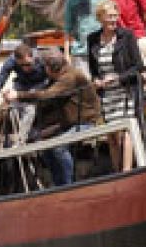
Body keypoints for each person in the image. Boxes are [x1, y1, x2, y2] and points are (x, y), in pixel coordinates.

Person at [6, 51, 101, 187]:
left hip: (85, 122)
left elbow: (48, 95)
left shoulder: (69, 77)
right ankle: (58, 184)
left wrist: (18, 95)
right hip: (69, 123)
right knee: (45, 147)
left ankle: (68, 186)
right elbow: (43, 94)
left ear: (50, 69)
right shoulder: (59, 77)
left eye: (44, 67)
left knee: (59, 146)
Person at [87, 0, 145, 172]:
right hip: (107, 94)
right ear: (101, 18)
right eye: (109, 17)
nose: (113, 20)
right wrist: (96, 80)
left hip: (125, 91)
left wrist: (118, 77)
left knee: (127, 131)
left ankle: (126, 171)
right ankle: (116, 169)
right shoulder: (93, 39)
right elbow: (94, 69)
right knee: (112, 135)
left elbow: (138, 66)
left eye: (115, 16)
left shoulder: (126, 36)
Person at [0, 43, 50, 142]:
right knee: (14, 108)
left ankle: (22, 139)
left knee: (30, 108)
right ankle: (20, 133)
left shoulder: (42, 58)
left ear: (33, 57)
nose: (25, 68)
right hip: (22, 83)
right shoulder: (11, 61)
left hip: (40, 83)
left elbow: (53, 77)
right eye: (21, 65)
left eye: (28, 64)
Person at [64, 0, 107, 75]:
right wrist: (67, 53)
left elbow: (109, 24)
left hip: (100, 50)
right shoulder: (72, 1)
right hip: (80, 52)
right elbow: (67, 28)